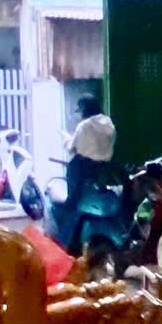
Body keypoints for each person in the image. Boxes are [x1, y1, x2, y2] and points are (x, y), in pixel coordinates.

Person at [49, 98, 133, 267]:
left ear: (84, 109)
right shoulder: (108, 123)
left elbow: (72, 147)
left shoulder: (84, 126)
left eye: (79, 110)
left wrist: (64, 137)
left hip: (82, 171)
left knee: (71, 206)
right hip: (104, 172)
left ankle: (65, 245)